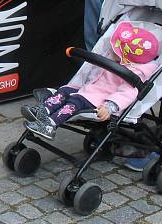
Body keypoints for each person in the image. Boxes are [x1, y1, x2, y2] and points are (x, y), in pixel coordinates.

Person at [24, 21, 159, 140]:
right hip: (91, 90)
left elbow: (127, 93)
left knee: (75, 102)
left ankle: (49, 125)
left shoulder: (135, 74)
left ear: (125, 58)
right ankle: (42, 110)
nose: (111, 50)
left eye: (116, 50)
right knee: (65, 89)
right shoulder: (117, 60)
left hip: (101, 100)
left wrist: (110, 106)